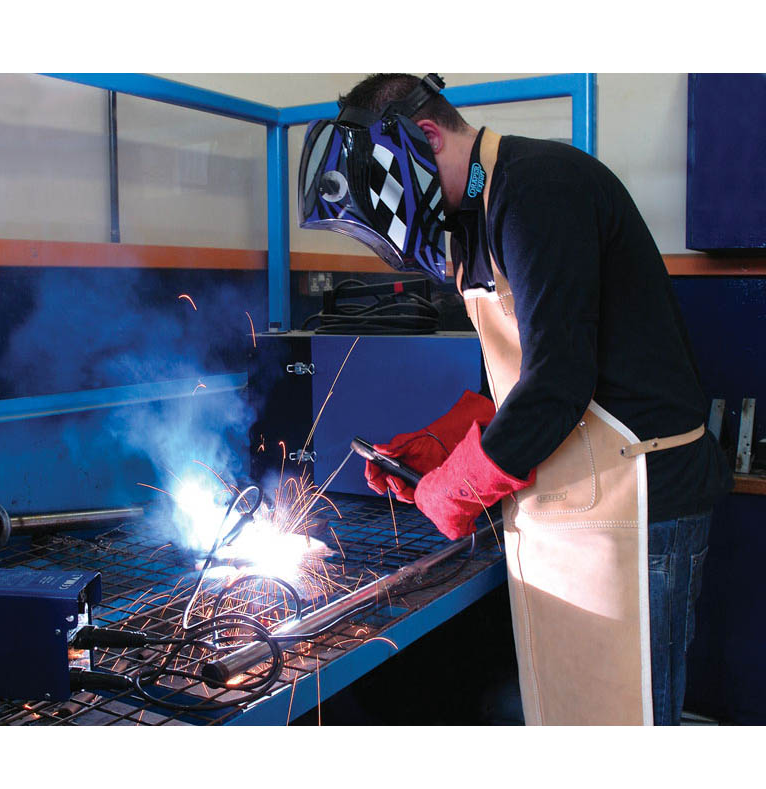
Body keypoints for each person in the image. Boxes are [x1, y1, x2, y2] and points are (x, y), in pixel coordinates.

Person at [297, 73, 732, 725]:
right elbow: (522, 376)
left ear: (427, 136)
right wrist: (446, 442)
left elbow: (560, 381)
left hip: (639, 503)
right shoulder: (474, 218)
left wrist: (461, 485)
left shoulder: (537, 189)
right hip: (575, 502)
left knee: (629, 722)